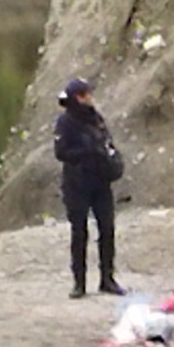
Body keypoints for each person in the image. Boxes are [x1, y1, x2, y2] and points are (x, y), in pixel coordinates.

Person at [54, 77, 125, 298]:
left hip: (100, 182)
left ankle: (107, 278)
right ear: (77, 98)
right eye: (85, 95)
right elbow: (61, 153)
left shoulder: (96, 118)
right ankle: (79, 282)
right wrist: (88, 151)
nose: (90, 98)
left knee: (107, 229)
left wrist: (109, 157)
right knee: (79, 232)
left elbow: (107, 141)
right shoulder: (65, 123)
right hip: (77, 184)